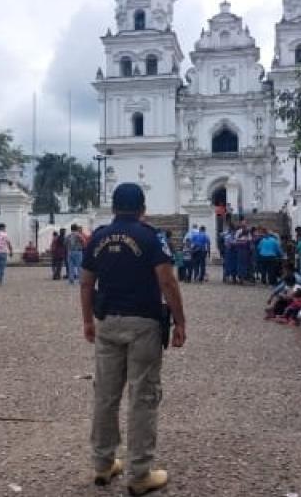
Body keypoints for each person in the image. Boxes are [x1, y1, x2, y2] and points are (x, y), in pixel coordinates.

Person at [80, 183, 186, 495]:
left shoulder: (97, 237)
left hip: (108, 322)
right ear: (142, 209)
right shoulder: (151, 237)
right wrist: (180, 321)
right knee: (143, 396)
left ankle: (103, 463)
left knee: (106, 395)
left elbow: (86, 284)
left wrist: (87, 321)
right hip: (143, 323)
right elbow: (167, 280)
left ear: (113, 208)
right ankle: (139, 472)